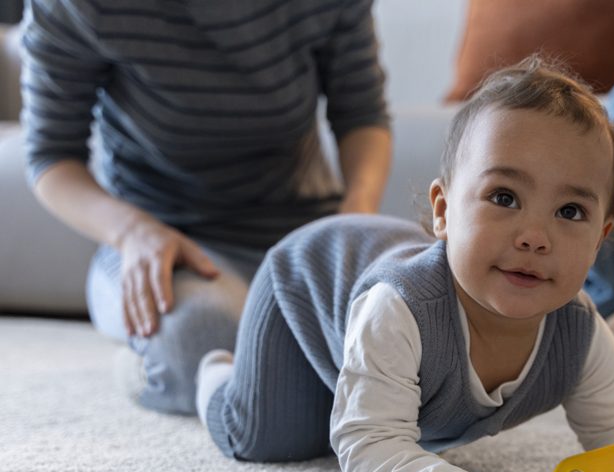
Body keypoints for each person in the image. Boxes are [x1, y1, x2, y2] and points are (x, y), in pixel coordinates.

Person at [194, 58, 614, 472]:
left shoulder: (577, 329)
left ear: (599, 239)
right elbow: (370, 441)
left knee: (352, 411)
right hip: (306, 289)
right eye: (504, 198)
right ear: (444, 211)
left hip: (365, 312)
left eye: (569, 211)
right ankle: (215, 371)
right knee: (271, 437)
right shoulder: (401, 307)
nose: (535, 236)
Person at [20, 0, 392, 414]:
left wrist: (357, 217)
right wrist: (132, 232)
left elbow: (363, 114)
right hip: (169, 243)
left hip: (303, 233)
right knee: (208, 343)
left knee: (417, 328)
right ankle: (150, 365)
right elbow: (50, 155)